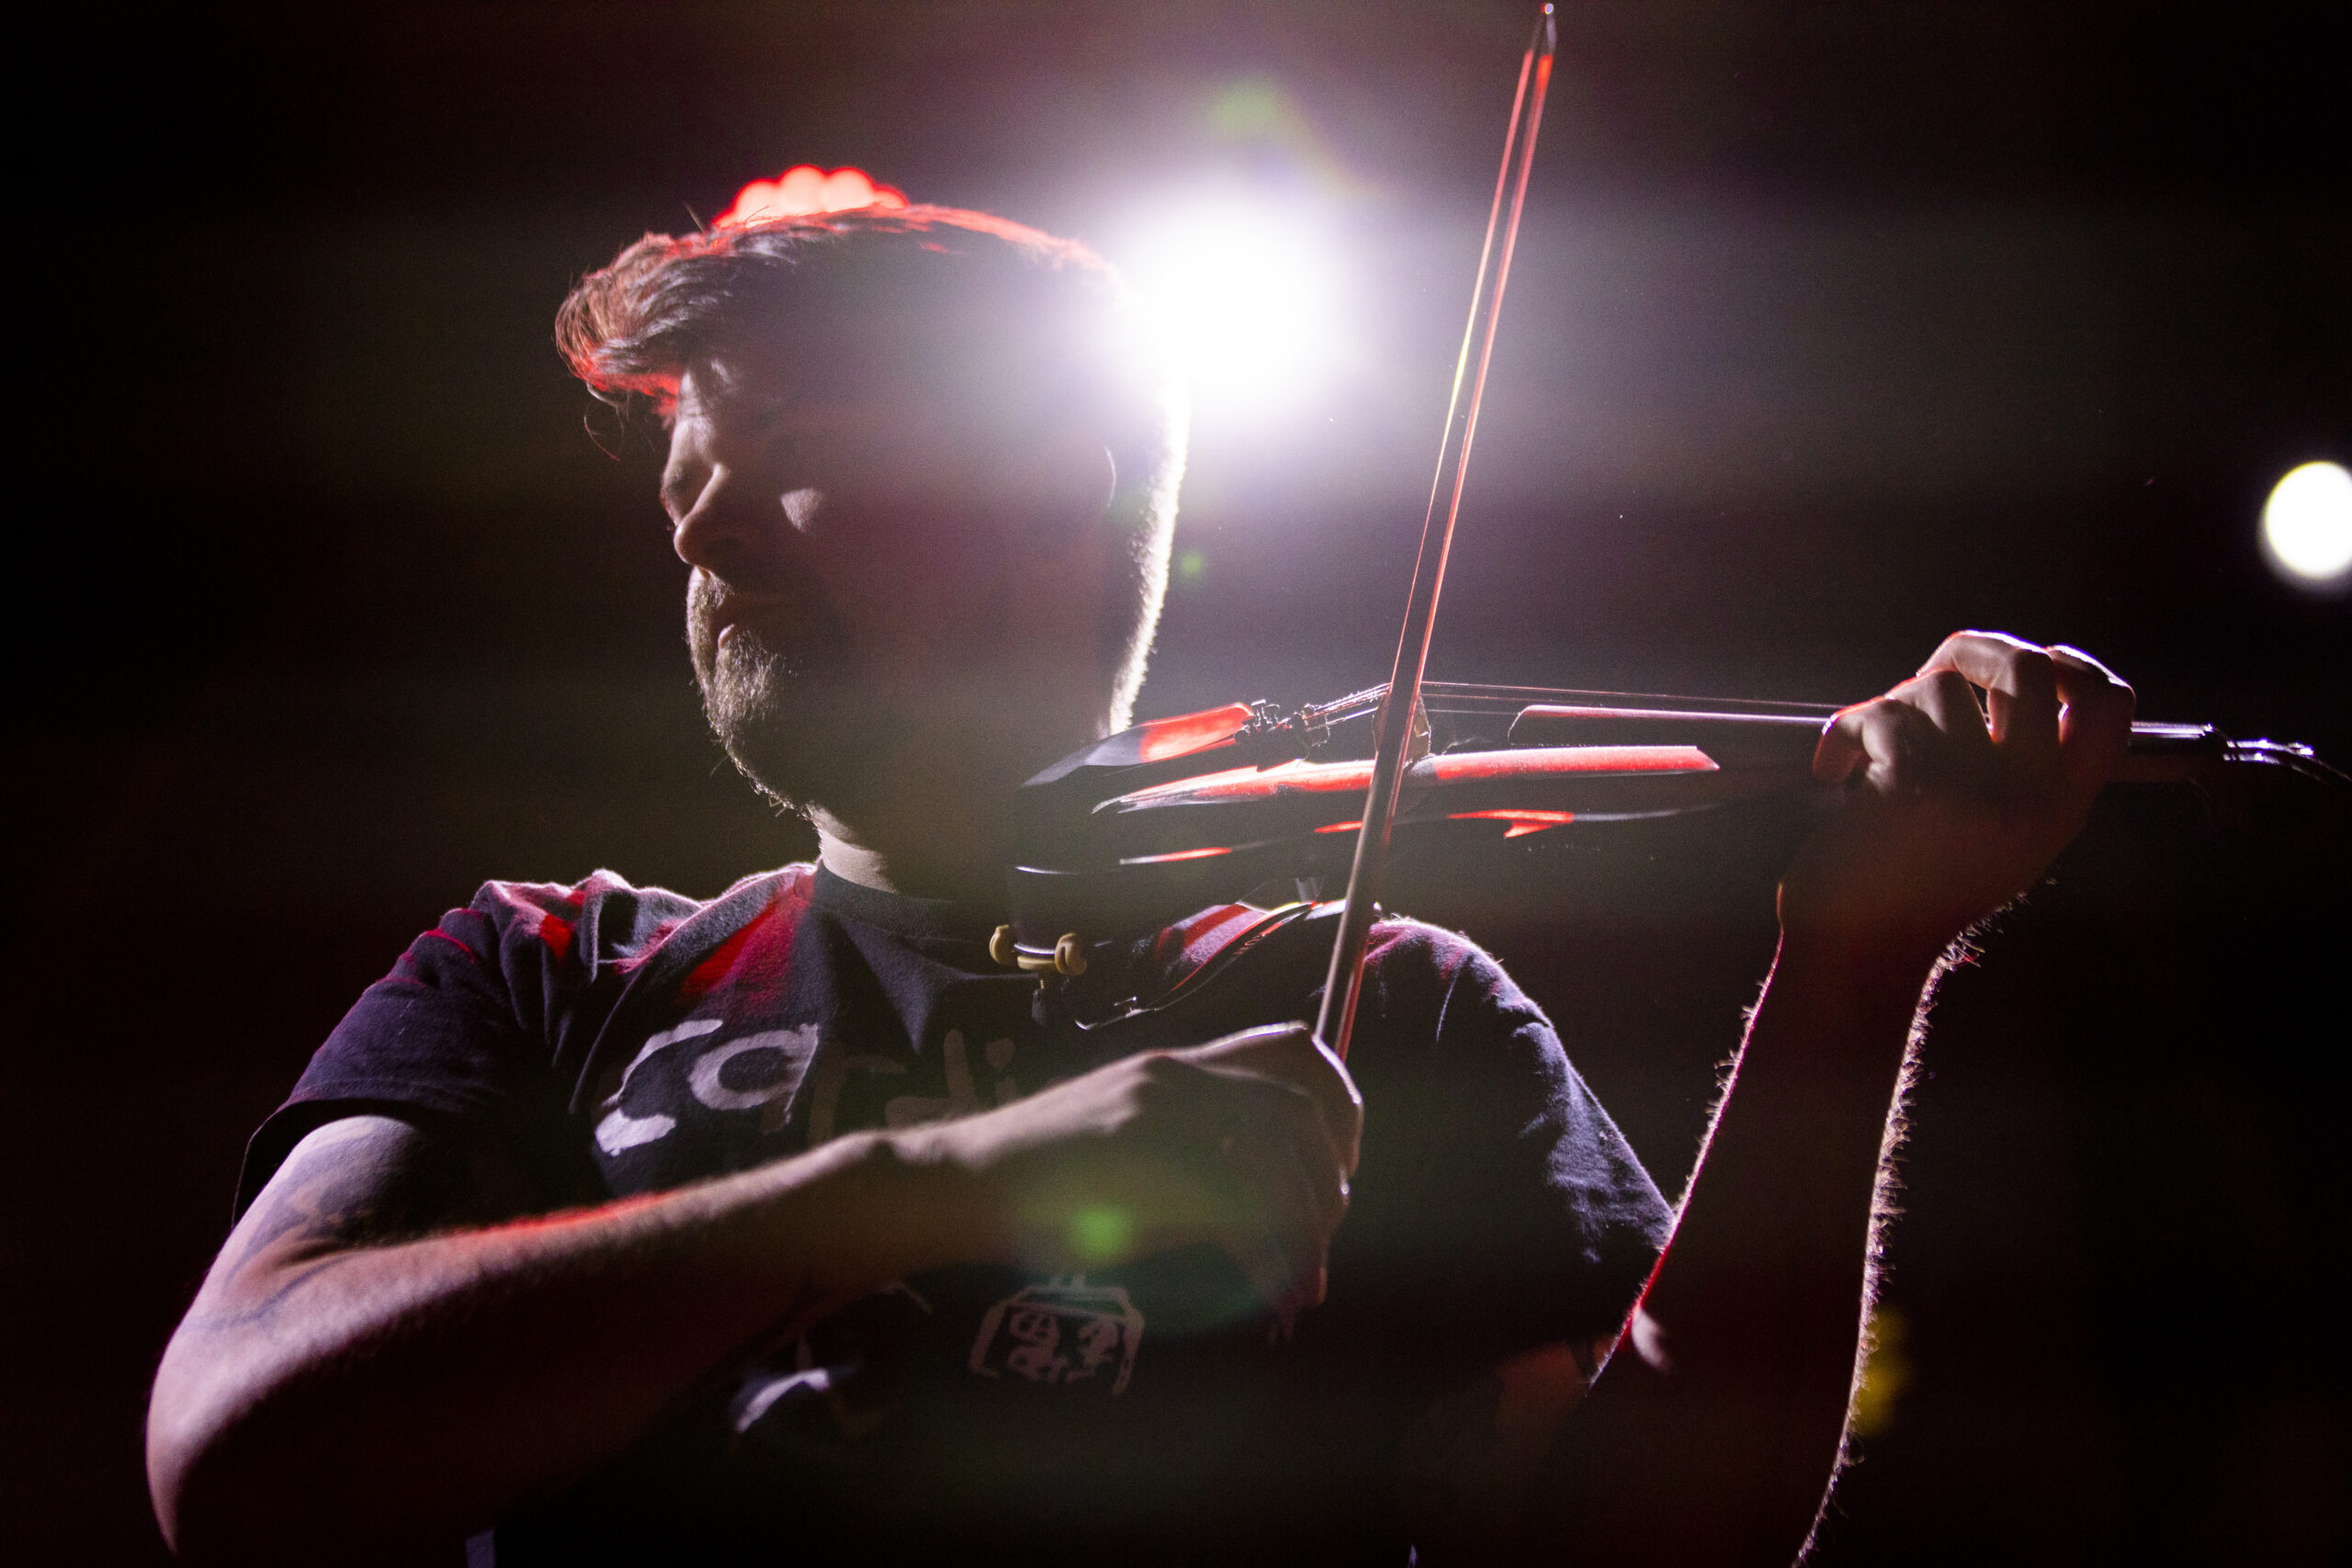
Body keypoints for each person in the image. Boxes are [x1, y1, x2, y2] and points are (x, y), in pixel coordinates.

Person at [144, 207, 2135, 1567]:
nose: (706, 534)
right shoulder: (550, 963)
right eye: (687, 490)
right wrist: (939, 1181)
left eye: (796, 454)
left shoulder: (1376, 995)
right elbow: (232, 1450)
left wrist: (1858, 957)